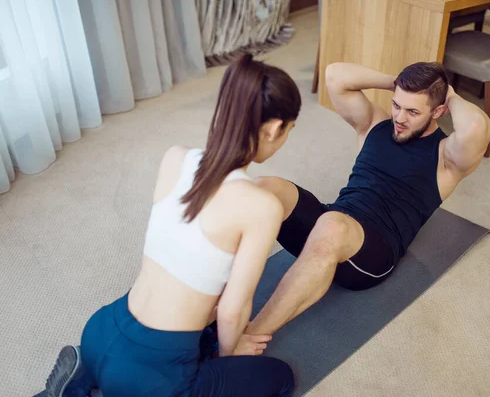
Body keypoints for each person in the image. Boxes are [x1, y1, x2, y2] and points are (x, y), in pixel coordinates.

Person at [40, 54, 301, 397]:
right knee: (279, 378)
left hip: (103, 328)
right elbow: (233, 311)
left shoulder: (176, 157)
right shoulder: (260, 206)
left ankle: (81, 381)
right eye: (288, 131)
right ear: (272, 128)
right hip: (151, 374)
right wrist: (230, 357)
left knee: (188, 340)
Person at [241, 61, 490, 347]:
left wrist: (448, 94)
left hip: (373, 253)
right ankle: (221, 300)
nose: (400, 117)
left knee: (332, 225)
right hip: (332, 221)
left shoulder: (446, 158)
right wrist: (396, 81)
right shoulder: (375, 123)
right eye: (397, 105)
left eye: (413, 111)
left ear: (437, 111)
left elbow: (475, 127)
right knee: (264, 188)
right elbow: (335, 75)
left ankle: (249, 337)